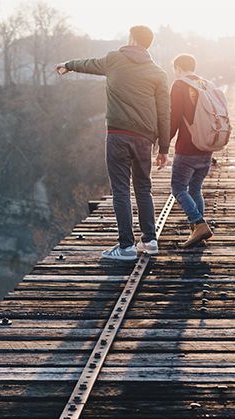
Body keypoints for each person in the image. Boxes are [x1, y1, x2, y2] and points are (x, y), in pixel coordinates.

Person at [56, 25, 170, 261]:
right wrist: (164, 148)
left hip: (118, 135)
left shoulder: (114, 60)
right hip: (144, 138)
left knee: (120, 189)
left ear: (132, 39)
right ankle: (149, 240)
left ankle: (126, 247)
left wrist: (68, 65)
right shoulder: (158, 73)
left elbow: (88, 64)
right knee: (143, 188)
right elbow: (164, 113)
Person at [169, 53, 214, 247]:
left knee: (178, 188)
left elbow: (174, 118)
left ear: (178, 68)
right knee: (195, 189)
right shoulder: (205, 84)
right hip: (207, 147)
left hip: (187, 148)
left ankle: (198, 223)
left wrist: (164, 143)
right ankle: (198, 233)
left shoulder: (179, 85)